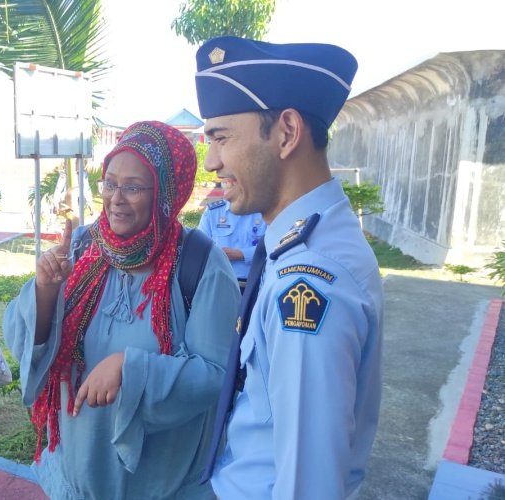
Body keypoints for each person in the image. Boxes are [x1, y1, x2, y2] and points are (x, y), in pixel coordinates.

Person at [4, 121, 239, 499]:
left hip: (160, 485)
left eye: (132, 187)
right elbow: (24, 338)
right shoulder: (82, 247)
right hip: (74, 478)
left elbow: (215, 374)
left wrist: (129, 369)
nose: (115, 197)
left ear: (166, 193)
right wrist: (46, 290)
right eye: (110, 183)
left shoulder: (200, 264)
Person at [194, 36, 384, 499]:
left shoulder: (311, 278)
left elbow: (309, 486)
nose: (211, 162)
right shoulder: (298, 247)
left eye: (221, 137)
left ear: (286, 133)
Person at [197, 199, 266, 291]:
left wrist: (242, 254)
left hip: (256, 286)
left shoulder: (264, 211)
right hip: (218, 284)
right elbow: (200, 248)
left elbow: (274, 245)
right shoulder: (213, 212)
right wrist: (217, 255)